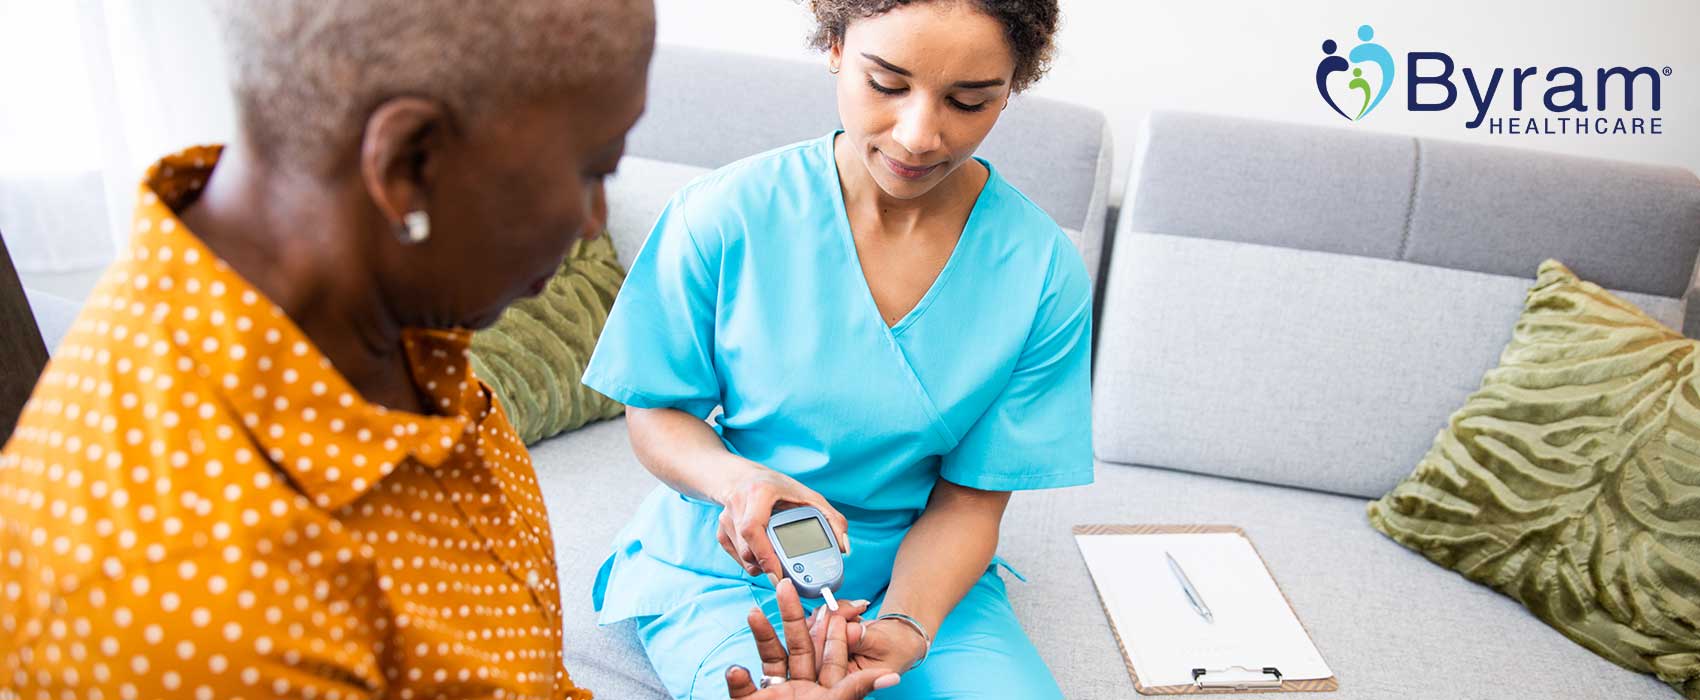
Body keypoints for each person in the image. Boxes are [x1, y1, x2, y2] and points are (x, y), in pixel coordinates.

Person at [0, 1, 888, 698]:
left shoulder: (390, 322)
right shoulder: (202, 608)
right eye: (592, 171)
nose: (592, 224)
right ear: (410, 163)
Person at [581, 0, 1093, 698]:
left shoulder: (1040, 270)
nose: (917, 136)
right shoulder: (723, 217)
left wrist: (911, 623)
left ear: (1012, 88)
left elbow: (971, 503)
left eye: (969, 101)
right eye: (886, 84)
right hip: (731, 561)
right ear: (832, 45)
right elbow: (657, 413)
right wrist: (738, 483)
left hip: (920, 573)